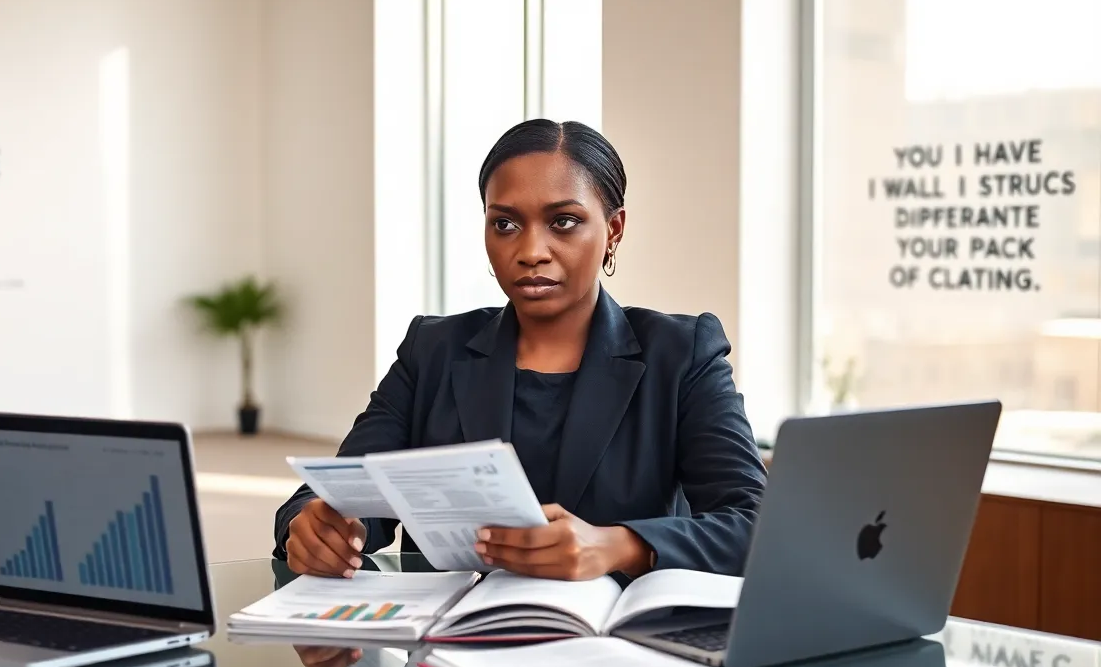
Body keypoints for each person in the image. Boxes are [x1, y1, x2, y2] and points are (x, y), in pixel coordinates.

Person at [273, 119, 766, 581]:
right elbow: (340, 495)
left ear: (613, 229)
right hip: (457, 651)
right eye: (506, 224)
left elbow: (754, 524)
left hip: (621, 651)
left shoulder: (681, 355)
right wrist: (320, 527)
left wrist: (621, 546)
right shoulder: (433, 350)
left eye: (564, 222)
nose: (531, 250)